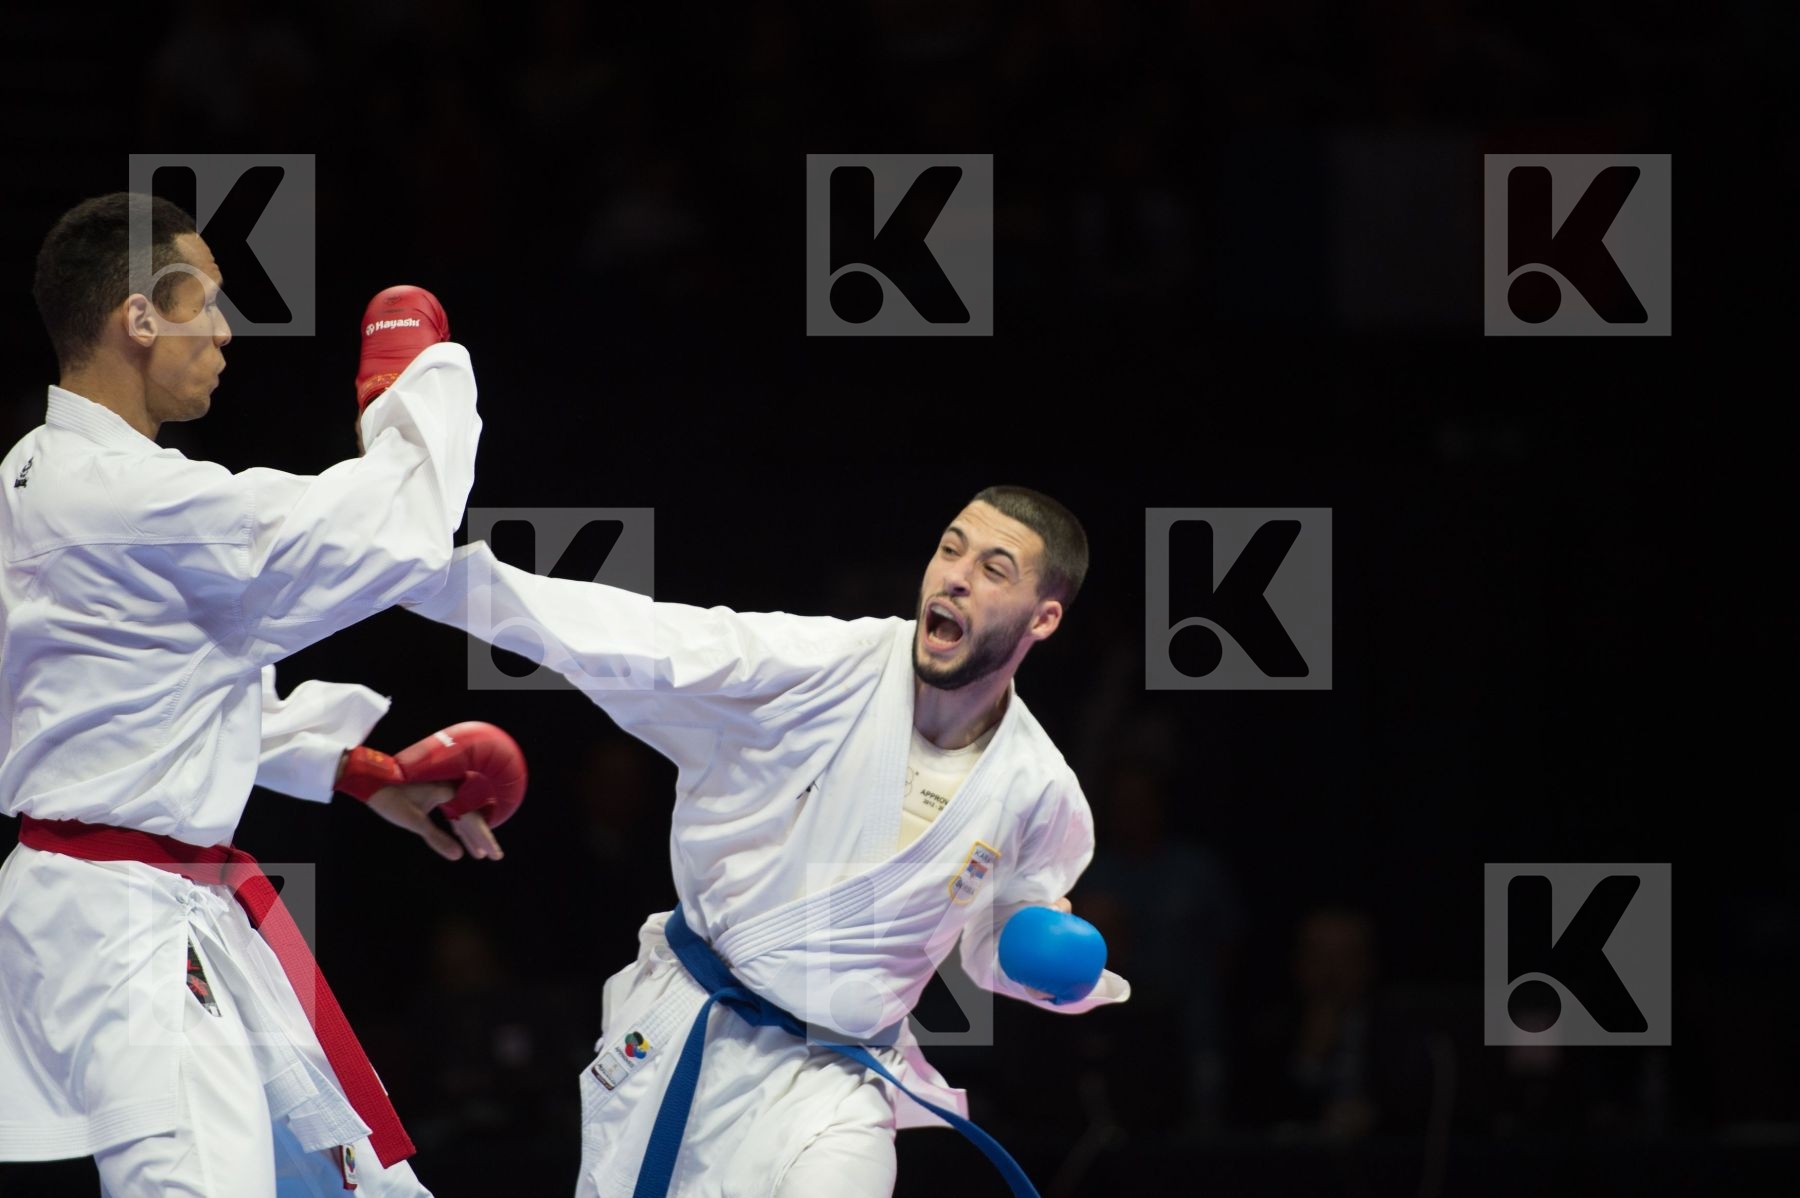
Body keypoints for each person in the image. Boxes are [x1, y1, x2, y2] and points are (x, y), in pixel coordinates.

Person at [0, 192, 517, 1196]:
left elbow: (157, 686)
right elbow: (399, 530)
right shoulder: (133, 500)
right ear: (139, 318)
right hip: (128, 930)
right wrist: (413, 384)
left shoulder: (37, 467)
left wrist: (356, 769)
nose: (227, 331)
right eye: (207, 301)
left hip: (136, 905)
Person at [405, 484, 1132, 1196]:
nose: (956, 577)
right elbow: (639, 637)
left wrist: (1039, 958)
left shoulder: (1039, 789)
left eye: (993, 569)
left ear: (1043, 618)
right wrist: (431, 576)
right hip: (693, 1029)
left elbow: (995, 936)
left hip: (838, 1082)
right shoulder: (820, 667)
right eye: (950, 549)